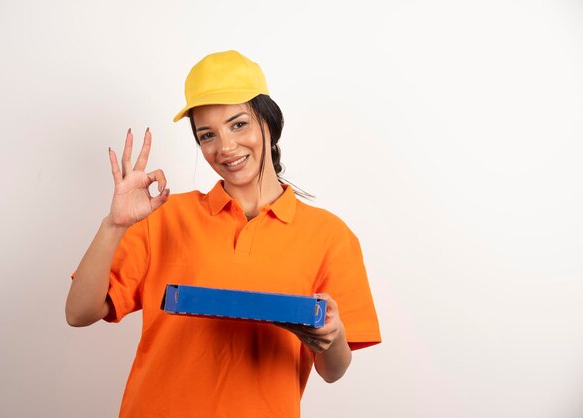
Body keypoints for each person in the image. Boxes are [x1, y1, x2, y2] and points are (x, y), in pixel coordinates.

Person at [66, 50, 381, 418]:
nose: (225, 147)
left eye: (238, 124)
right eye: (207, 135)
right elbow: (79, 312)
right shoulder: (164, 217)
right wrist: (114, 225)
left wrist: (332, 336)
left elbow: (333, 370)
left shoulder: (330, 235)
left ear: (269, 122)